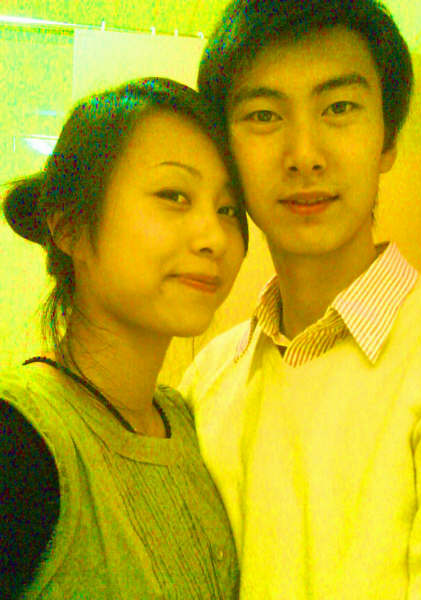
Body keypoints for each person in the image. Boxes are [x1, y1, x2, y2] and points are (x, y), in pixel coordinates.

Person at [179, 0, 421, 597]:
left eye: (340, 107)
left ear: (387, 140)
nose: (304, 154)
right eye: (264, 115)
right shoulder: (206, 381)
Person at [0, 76, 248, 599]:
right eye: (174, 195)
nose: (214, 237)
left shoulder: (187, 421)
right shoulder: (22, 439)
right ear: (69, 229)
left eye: (228, 209)